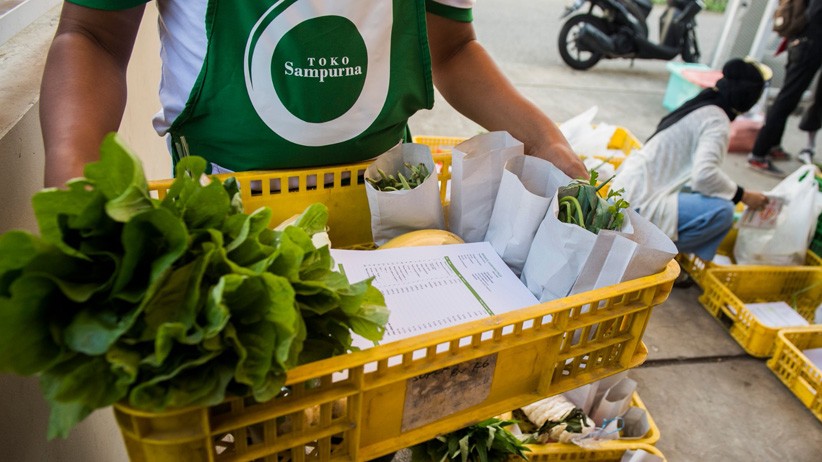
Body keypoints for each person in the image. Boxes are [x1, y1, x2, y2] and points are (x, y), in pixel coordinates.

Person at [39, 1, 588, 188]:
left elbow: (451, 49)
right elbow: (93, 36)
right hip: (222, 218)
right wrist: (73, 170)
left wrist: (543, 141)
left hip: (388, 210)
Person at [610, 58, 771, 285]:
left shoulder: (705, 104)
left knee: (714, 195)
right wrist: (743, 195)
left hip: (628, 188)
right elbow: (704, 175)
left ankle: (652, 252)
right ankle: (651, 259)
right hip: (640, 202)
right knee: (723, 211)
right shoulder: (717, 120)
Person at [748, 0, 822, 176]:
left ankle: (773, 146)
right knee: (785, 100)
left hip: (801, 42)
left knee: (788, 99)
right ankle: (758, 155)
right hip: (809, 46)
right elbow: (815, 15)